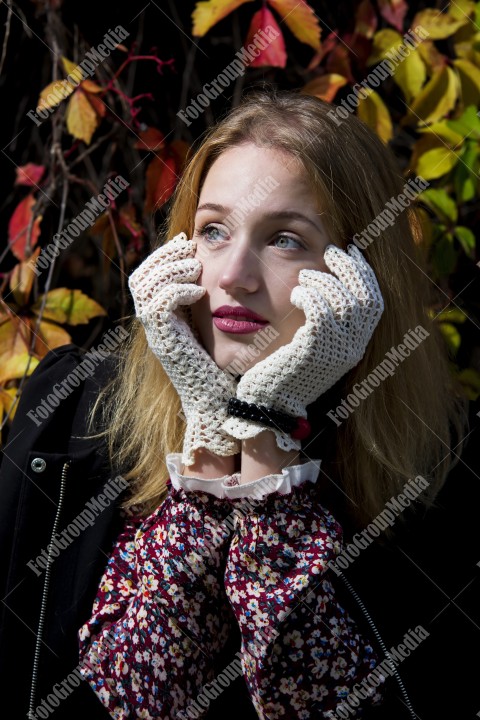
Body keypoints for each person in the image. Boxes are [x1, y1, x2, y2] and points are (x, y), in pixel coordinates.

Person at [0, 89, 478, 720]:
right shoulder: (72, 414)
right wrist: (205, 428)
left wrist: (265, 429)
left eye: (284, 239)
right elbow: (140, 697)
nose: (233, 274)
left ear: (361, 276)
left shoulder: (446, 466)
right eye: (213, 231)